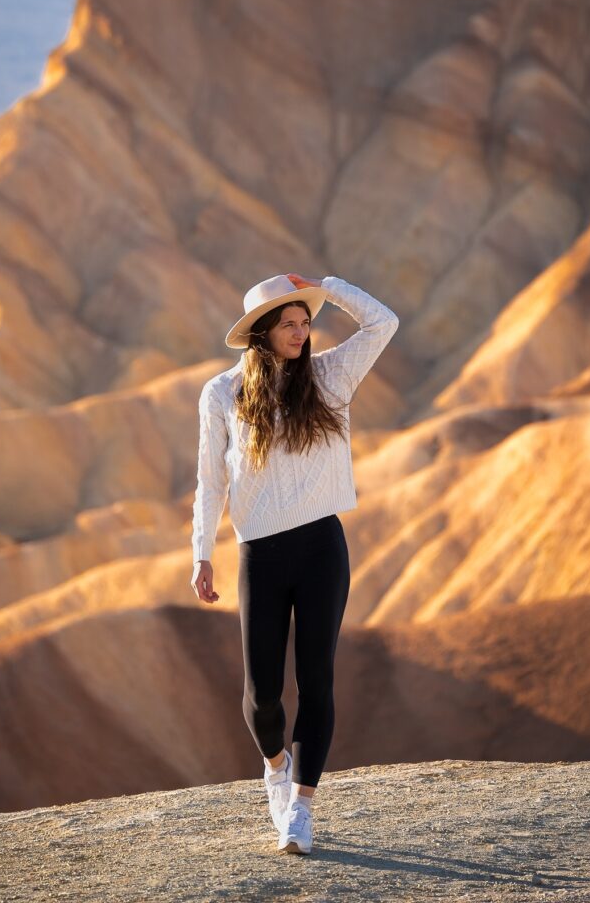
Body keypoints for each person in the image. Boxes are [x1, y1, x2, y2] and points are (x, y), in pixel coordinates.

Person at [190, 272, 398, 854]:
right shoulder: (222, 394)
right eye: (290, 323)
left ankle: (301, 810)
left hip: (321, 548)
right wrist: (201, 552)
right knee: (261, 694)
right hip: (260, 552)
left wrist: (328, 286)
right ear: (261, 332)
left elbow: (385, 323)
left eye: (306, 322)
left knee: (317, 681)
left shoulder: (331, 375)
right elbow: (210, 480)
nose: (302, 333)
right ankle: (276, 765)